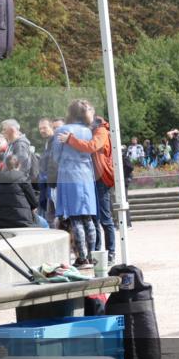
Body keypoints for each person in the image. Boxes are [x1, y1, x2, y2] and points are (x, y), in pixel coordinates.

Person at [63, 108, 117, 264]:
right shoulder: (89, 129)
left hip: (101, 179)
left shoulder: (101, 130)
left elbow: (91, 146)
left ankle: (110, 252)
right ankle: (97, 253)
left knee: (105, 219)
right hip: (89, 178)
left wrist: (70, 139)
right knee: (95, 218)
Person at [53, 99, 98, 268]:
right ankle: (93, 254)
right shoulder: (88, 131)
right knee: (88, 217)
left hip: (69, 175)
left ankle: (82, 257)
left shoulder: (63, 130)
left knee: (75, 216)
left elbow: (56, 156)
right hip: (86, 175)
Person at [0, 154, 37, 229]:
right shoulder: (23, 179)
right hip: (22, 220)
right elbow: (34, 202)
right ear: (19, 165)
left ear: (6, 165)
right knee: (44, 224)